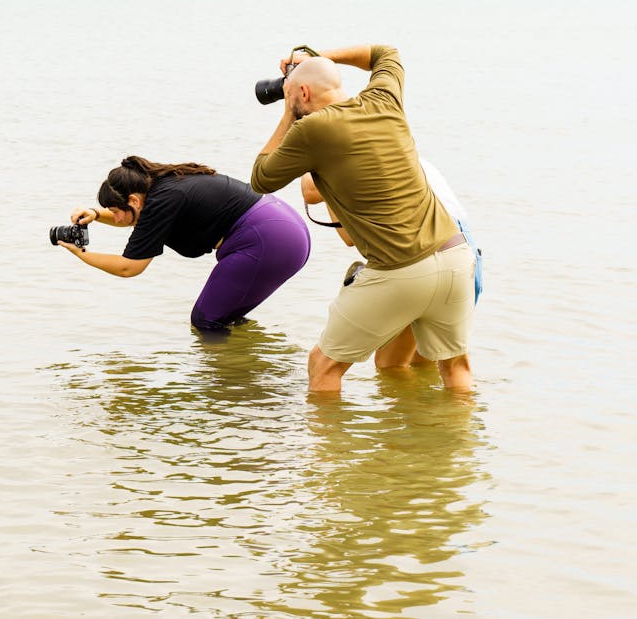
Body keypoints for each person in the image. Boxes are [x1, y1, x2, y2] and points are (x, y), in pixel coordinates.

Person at [249, 44, 475, 392]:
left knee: (323, 366)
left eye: (292, 93)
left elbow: (261, 178)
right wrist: (321, 57)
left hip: (401, 269)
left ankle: (327, 432)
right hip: (456, 257)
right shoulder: (384, 99)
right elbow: (385, 53)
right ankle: (459, 429)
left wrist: (288, 114)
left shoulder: (312, 130)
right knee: (455, 366)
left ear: (304, 93)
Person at [57, 156, 311, 334]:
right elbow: (132, 220)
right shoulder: (162, 188)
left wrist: (81, 254)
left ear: (133, 200)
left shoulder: (160, 202)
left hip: (266, 237)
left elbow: (129, 267)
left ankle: (227, 386)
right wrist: (96, 214)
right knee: (224, 316)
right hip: (284, 229)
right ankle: (249, 372)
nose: (116, 218)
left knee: (205, 321)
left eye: (115, 211)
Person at [301, 158, 484, 368]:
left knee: (390, 365)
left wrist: (313, 163)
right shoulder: (405, 156)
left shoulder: (353, 163)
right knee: (430, 365)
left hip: (420, 255)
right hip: (462, 255)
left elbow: (312, 193)